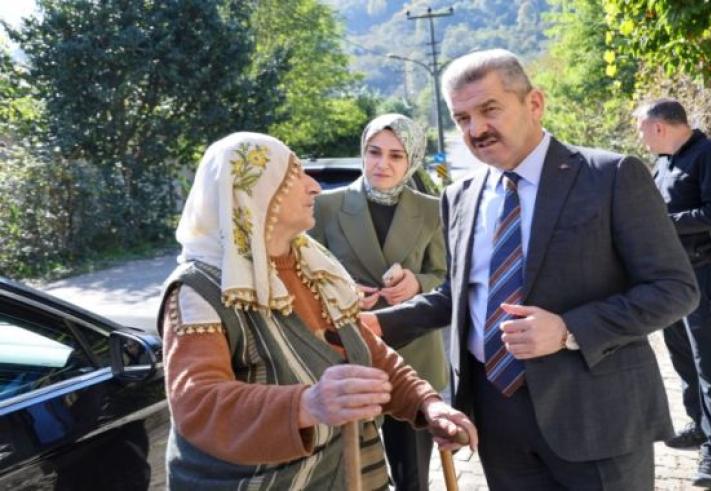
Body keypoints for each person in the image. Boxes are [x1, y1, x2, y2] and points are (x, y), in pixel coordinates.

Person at [360, 48, 700, 490]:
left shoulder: (611, 176)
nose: (476, 129)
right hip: (497, 418)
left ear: (534, 103)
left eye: (489, 109)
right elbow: (460, 295)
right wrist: (377, 325)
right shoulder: (459, 195)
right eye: (462, 118)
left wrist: (567, 329)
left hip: (596, 416)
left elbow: (675, 289)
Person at [157, 132, 476, 490]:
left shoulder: (313, 266)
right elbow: (197, 404)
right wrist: (307, 404)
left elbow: (366, 349)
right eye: (296, 175)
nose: (314, 187)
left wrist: (427, 403)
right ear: (256, 192)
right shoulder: (198, 288)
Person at [309, 113, 449, 491]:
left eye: (396, 155)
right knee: (351, 475)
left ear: (412, 160)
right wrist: (342, 288)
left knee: (413, 478)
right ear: (362, 152)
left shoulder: (433, 208)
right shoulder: (325, 206)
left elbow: (448, 278)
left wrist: (417, 283)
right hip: (346, 356)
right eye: (374, 152)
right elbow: (305, 276)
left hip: (415, 354)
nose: (382, 164)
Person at [635, 98, 711, 488]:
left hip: (707, 273)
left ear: (660, 127)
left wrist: (662, 222)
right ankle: (699, 424)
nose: (641, 137)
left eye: (643, 129)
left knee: (710, 363)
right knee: (681, 354)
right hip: (671, 277)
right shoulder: (662, 163)